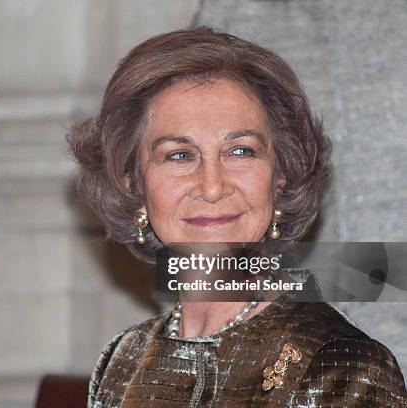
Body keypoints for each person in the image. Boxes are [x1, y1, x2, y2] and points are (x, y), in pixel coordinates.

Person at [67, 26, 406, 407]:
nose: (212, 187)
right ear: (134, 186)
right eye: (179, 155)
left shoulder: (341, 369)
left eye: (241, 151)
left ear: (281, 177)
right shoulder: (123, 359)